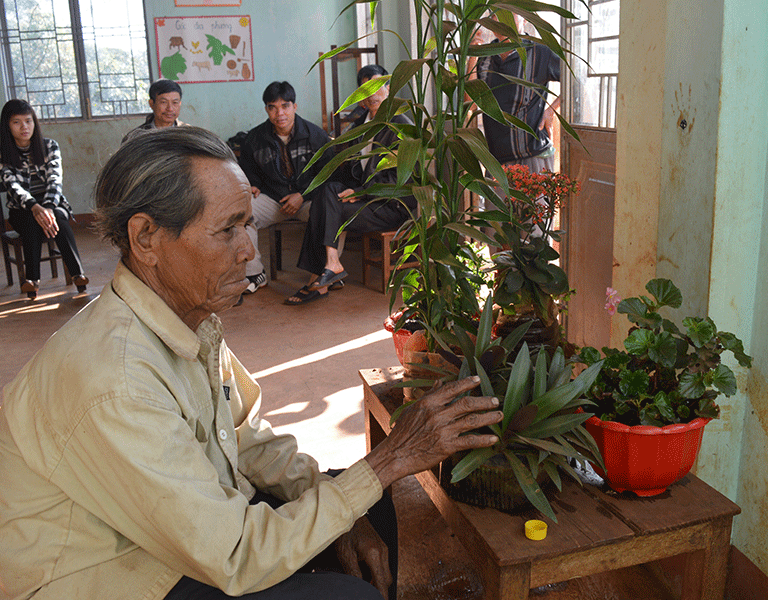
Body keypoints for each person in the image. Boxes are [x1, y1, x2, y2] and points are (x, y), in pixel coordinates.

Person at [0, 127, 502, 600]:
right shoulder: (115, 378)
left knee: (371, 508)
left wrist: (348, 502)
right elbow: (234, 553)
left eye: (248, 223)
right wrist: (388, 460)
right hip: (117, 572)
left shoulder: (189, 318)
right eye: (227, 230)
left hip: (181, 530)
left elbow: (242, 434)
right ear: (146, 237)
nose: (248, 251)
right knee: (351, 590)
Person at [287, 65, 415, 305]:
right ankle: (331, 264)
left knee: (326, 207)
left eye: (377, 86)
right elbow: (350, 171)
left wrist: (361, 193)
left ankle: (319, 279)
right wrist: (349, 189)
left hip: (391, 204)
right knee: (326, 192)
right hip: (366, 201)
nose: (372, 94)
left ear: (388, 88)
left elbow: (402, 180)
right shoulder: (360, 126)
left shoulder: (402, 125)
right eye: (365, 89)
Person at [238, 81, 336, 295]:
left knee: (333, 212)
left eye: (285, 106)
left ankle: (326, 272)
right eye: (272, 107)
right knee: (241, 212)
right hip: (274, 200)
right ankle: (255, 274)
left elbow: (328, 174)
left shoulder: (316, 136)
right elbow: (247, 169)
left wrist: (303, 195)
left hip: (307, 201)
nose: (279, 113)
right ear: (266, 109)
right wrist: (253, 184)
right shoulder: (254, 138)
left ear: (295, 106)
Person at [0, 99, 88, 298]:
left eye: (28, 121)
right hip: (22, 208)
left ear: (34, 122)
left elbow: (55, 181)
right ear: (7, 125)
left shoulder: (49, 146)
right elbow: (13, 186)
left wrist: (47, 207)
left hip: (53, 202)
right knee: (32, 220)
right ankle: (33, 280)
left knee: (57, 216)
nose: (24, 127)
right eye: (16, 122)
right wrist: (35, 207)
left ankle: (77, 275)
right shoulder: (3, 153)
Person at [474, 12, 561, 173]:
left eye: (510, 12)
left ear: (524, 18)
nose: (502, 18)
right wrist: (472, 54)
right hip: (496, 161)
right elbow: (471, 104)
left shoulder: (540, 53)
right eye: (496, 13)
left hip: (533, 155)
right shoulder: (484, 58)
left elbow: (575, 80)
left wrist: (551, 110)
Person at [121, 79, 188, 144]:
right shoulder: (135, 138)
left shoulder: (188, 134)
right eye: (164, 102)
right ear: (151, 104)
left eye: (175, 102)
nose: (170, 109)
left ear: (180, 104)